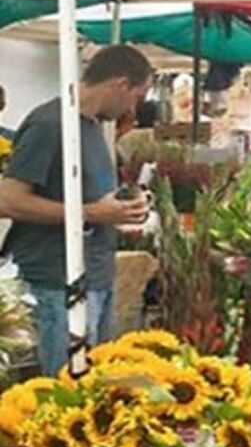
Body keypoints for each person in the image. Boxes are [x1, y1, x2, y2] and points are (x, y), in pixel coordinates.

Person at [0, 45, 152, 375]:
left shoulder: (92, 126)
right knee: (63, 387)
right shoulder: (51, 124)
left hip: (94, 275)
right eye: (136, 96)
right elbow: (8, 200)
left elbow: (91, 200)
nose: (133, 107)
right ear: (120, 83)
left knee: (91, 385)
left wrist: (120, 210)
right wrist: (92, 213)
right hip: (55, 282)